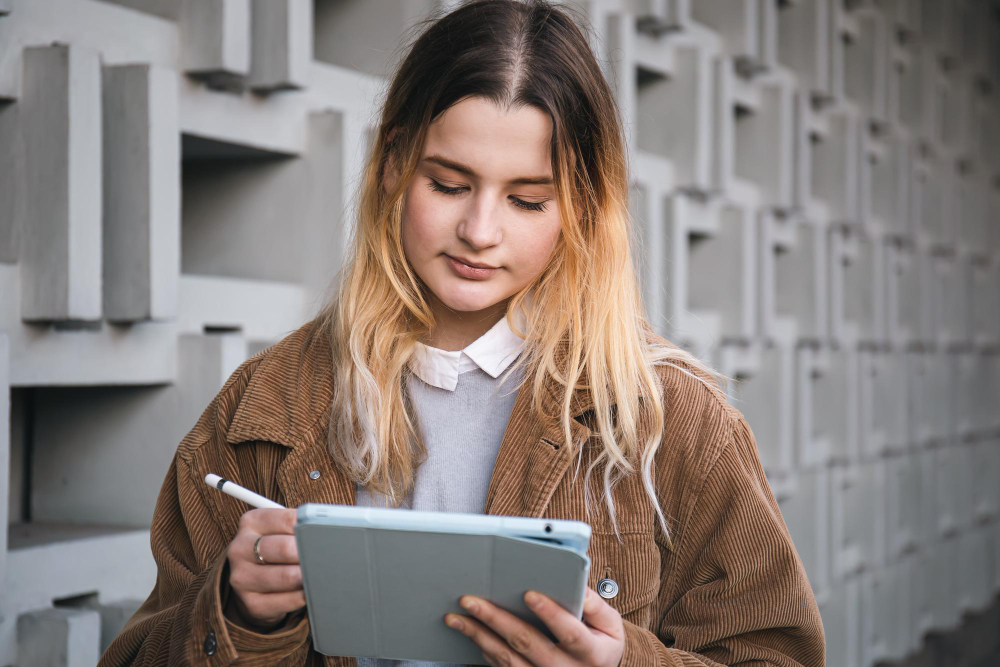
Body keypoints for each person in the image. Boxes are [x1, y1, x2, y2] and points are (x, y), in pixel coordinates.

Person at [98, 1, 826, 665]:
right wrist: (232, 608)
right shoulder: (265, 409)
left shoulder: (671, 422)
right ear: (391, 164)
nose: (480, 231)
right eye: (448, 184)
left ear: (582, 206)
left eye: (527, 199)